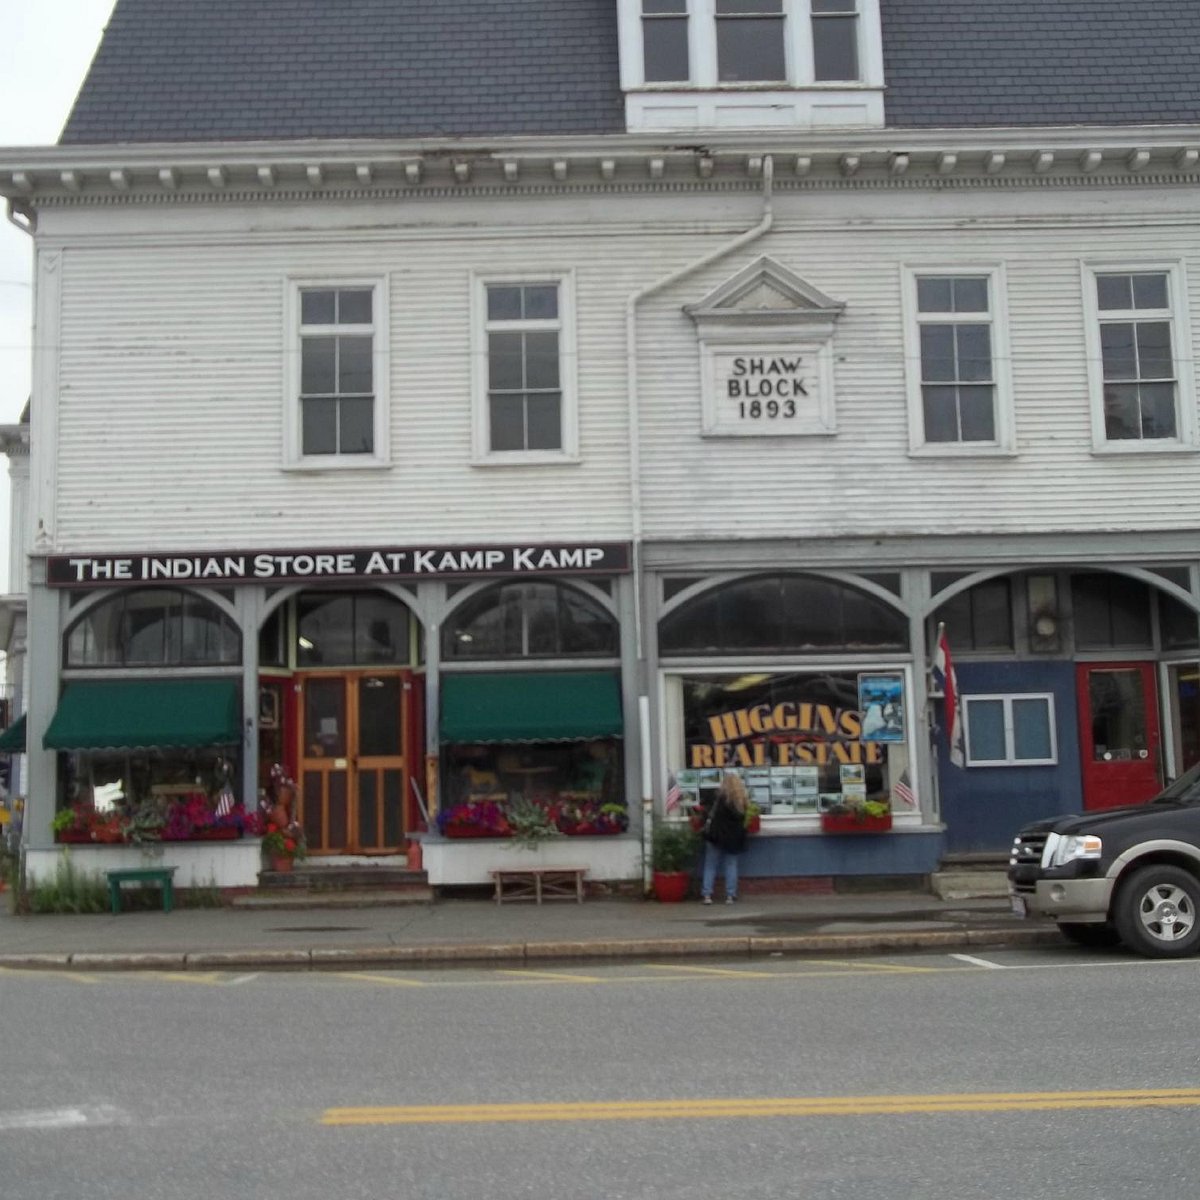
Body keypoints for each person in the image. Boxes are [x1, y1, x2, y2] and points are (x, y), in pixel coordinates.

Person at [699, 771, 748, 905]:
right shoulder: (741, 801)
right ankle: (730, 895)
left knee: (710, 865)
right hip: (733, 837)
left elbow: (705, 811)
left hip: (715, 835)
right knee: (731, 865)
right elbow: (743, 819)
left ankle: (707, 895)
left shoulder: (717, 799)